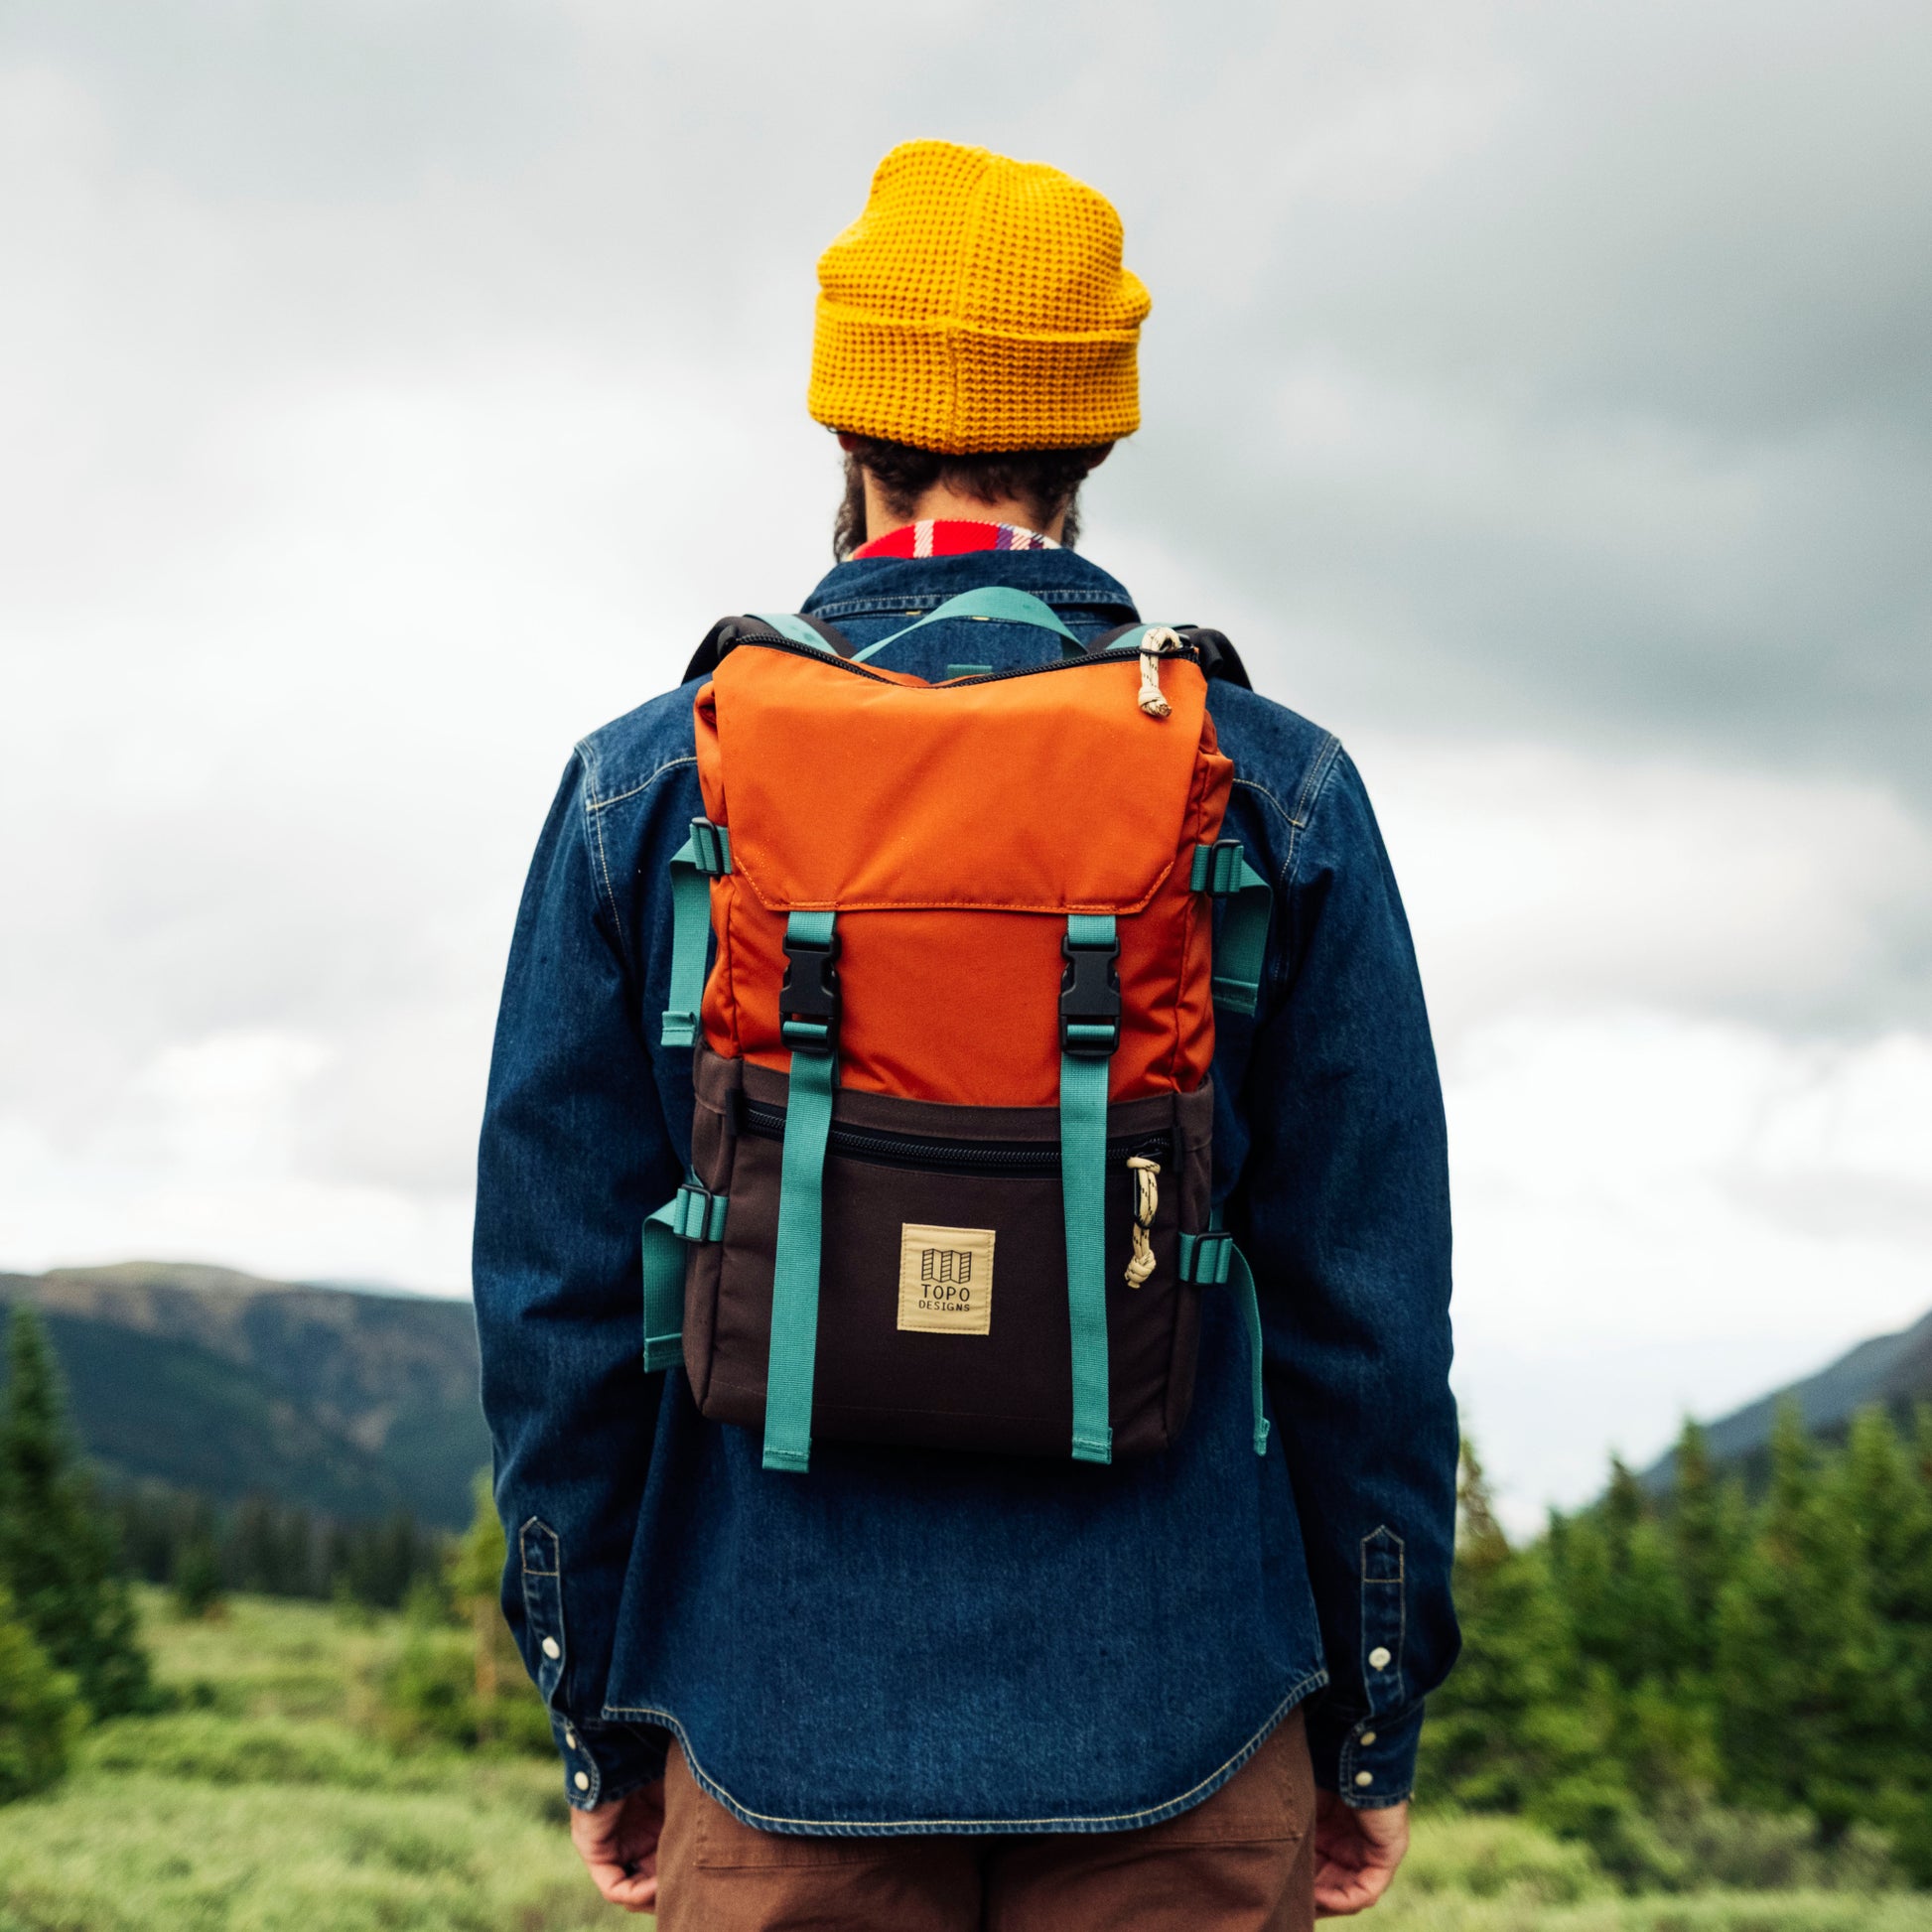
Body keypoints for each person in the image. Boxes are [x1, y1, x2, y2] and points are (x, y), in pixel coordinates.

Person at [474, 139, 1457, 1930]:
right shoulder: (1275, 784)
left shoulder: (648, 780)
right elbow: (1364, 1313)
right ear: (1091, 446)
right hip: (1190, 1719)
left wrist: (593, 1717)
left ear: (844, 434)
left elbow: (556, 1311)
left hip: (762, 1724)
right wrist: (1371, 1721)